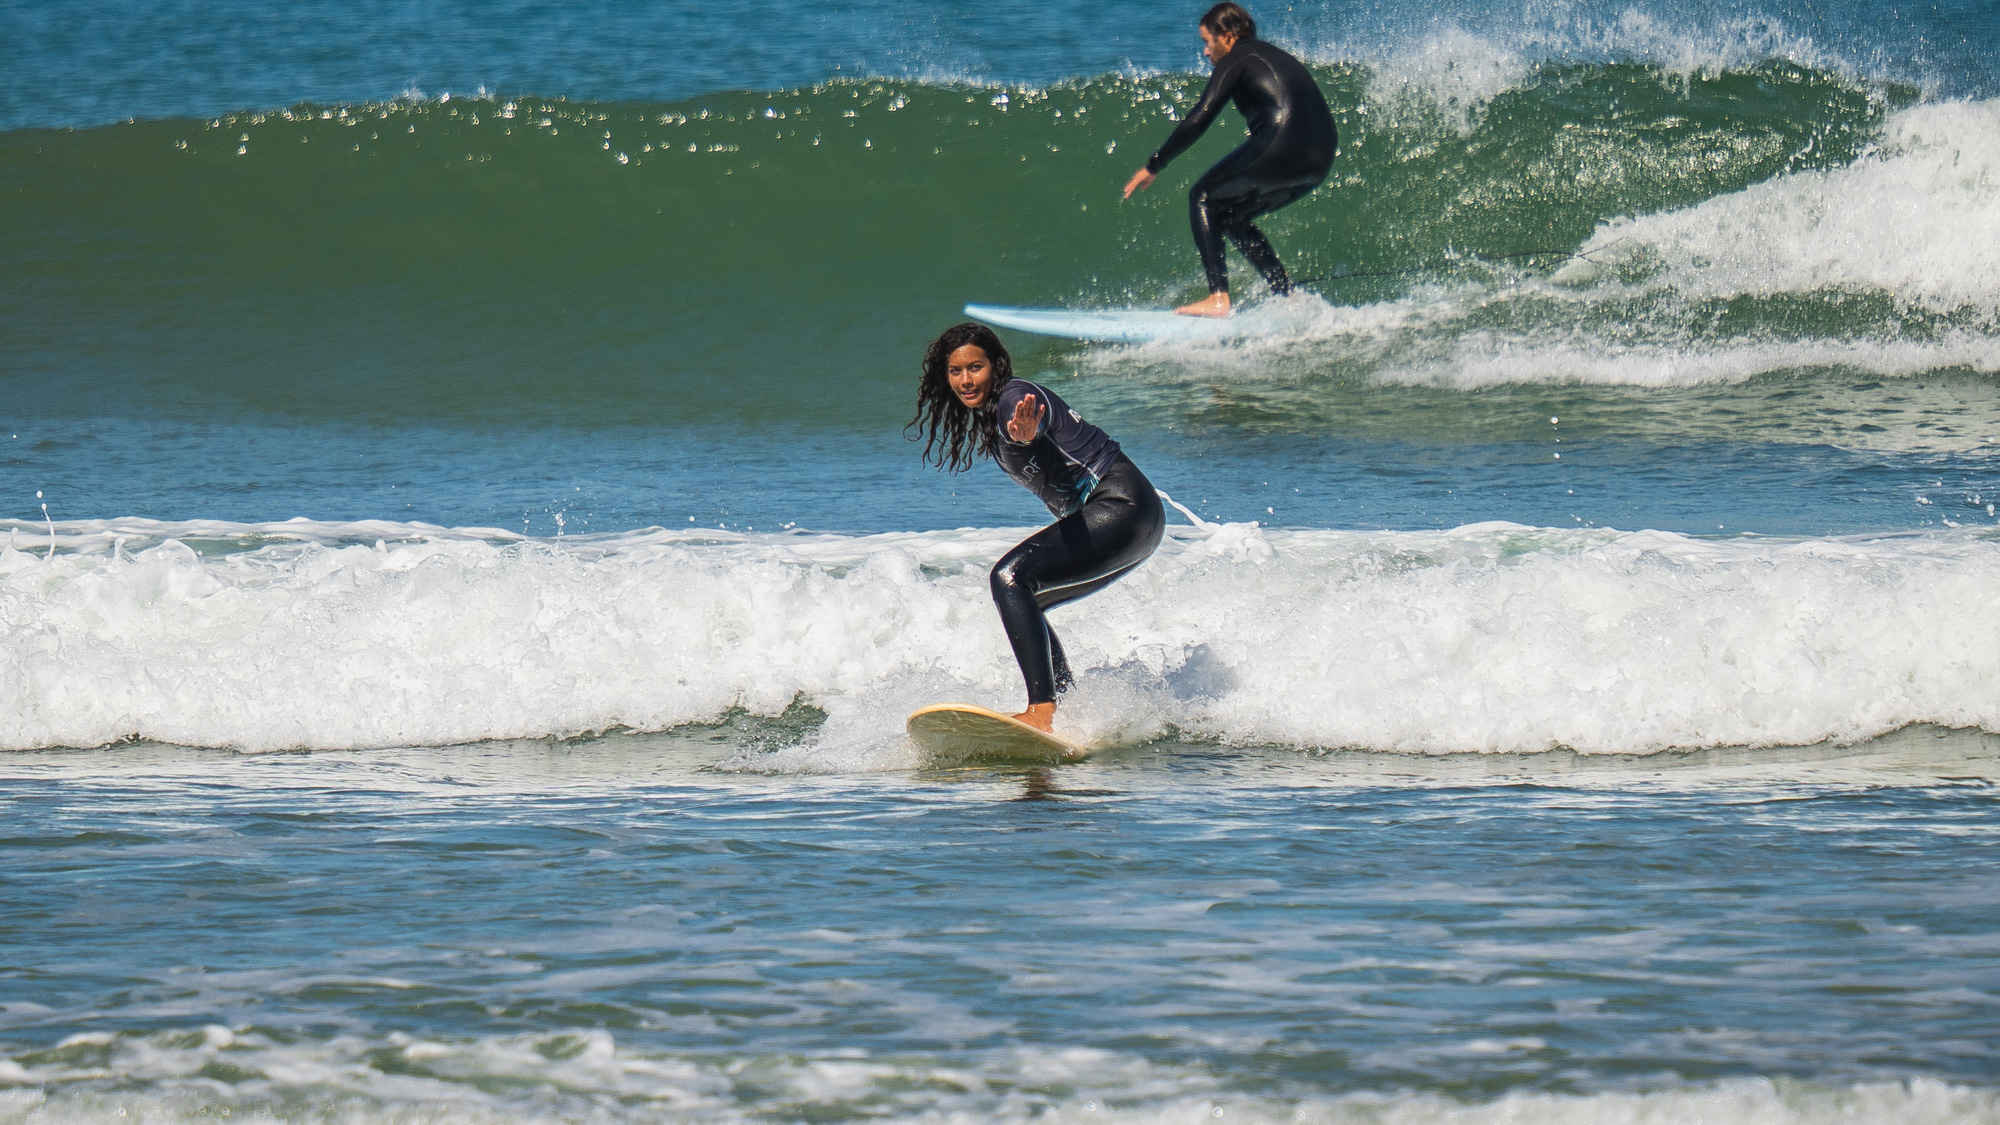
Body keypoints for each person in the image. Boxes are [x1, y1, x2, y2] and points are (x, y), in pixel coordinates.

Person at [908, 323, 1165, 733]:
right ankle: (1066, 709)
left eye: (975, 367)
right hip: (1136, 520)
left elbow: (1030, 417)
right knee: (1030, 599)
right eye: (956, 371)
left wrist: (1026, 433)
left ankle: (1041, 709)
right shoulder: (993, 416)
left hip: (1122, 504)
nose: (966, 380)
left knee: (1009, 579)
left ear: (996, 367)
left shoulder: (1015, 398)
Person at [1122, 2, 1337, 318]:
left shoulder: (1239, 56)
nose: (1205, 52)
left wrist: (1155, 164)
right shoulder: (1273, 55)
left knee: (1203, 196)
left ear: (1226, 36)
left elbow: (1201, 115)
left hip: (1284, 141)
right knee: (1231, 215)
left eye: (1207, 42)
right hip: (1321, 157)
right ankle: (1286, 294)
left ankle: (1218, 298)